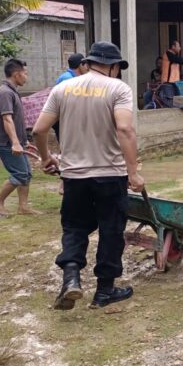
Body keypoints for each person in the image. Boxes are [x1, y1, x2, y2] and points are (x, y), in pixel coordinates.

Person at [32, 41, 145, 310]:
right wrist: (133, 172)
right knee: (111, 230)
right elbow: (125, 130)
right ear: (114, 67)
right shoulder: (119, 88)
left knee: (74, 227)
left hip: (74, 176)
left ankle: (71, 279)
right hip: (110, 174)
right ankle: (104, 292)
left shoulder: (62, 89)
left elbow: (38, 130)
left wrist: (47, 158)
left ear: (88, 63)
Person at [0, 59, 39, 217]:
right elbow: (7, 119)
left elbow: (16, 119)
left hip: (15, 141)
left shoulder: (12, 91)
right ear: (16, 74)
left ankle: (23, 207)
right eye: (25, 73)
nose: (26, 77)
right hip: (5, 142)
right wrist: (16, 143)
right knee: (20, 174)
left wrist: (24, 141)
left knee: (26, 173)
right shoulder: (5, 92)